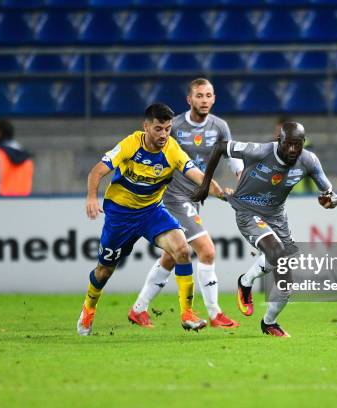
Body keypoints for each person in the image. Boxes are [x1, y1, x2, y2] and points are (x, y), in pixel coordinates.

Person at [77, 103, 226, 336]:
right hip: (120, 215)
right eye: (158, 129)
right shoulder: (130, 144)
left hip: (151, 212)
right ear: (146, 127)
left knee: (182, 250)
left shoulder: (172, 150)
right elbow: (97, 171)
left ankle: (187, 313)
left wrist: (218, 191)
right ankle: (89, 308)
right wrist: (91, 198)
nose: (163, 135)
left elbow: (197, 174)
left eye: (167, 129)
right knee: (104, 271)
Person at [191, 122, 337, 337]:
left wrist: (330, 200)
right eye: (287, 144)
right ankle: (247, 284)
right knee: (276, 253)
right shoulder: (259, 151)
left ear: (302, 144)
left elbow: (331, 194)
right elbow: (221, 147)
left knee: (286, 280)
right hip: (247, 210)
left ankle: (268, 320)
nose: (291, 150)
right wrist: (205, 185)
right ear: (278, 141)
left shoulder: (309, 161)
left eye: (296, 145)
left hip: (277, 216)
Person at [128, 78, 243, 329]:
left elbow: (232, 156)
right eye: (199, 96)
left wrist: (240, 178)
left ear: (214, 98)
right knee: (207, 250)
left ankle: (138, 309)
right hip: (171, 197)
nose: (204, 100)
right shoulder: (174, 126)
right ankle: (214, 314)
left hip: (194, 198)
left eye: (209, 95)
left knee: (172, 256)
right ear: (189, 99)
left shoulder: (220, 126)